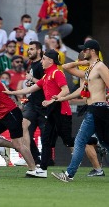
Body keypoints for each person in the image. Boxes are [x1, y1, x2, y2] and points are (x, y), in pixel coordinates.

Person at [4, 49, 74, 178]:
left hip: (61, 111)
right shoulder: (47, 75)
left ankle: (88, 142)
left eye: (43, 59)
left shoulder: (56, 73)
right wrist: (11, 93)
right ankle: (42, 169)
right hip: (52, 111)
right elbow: (31, 88)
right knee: (46, 140)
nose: (41, 61)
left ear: (50, 60)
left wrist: (51, 100)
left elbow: (66, 90)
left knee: (67, 141)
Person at [52, 40, 109, 182]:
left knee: (80, 140)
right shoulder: (90, 68)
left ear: (93, 51)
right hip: (95, 108)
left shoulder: (100, 67)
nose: (83, 52)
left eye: (85, 50)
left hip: (98, 109)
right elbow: (66, 68)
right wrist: (62, 98)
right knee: (106, 143)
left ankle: (69, 174)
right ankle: (69, 174)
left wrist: (104, 98)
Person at [0, 61, 38, 177]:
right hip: (2, 115)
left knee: (19, 145)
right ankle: (6, 148)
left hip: (11, 113)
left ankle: (33, 169)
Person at [14, 41, 46, 166]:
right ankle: (30, 157)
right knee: (23, 126)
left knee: (47, 135)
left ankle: (44, 159)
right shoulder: (32, 64)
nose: (29, 51)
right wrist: (30, 83)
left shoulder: (42, 65)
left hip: (43, 103)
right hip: (32, 102)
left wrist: (31, 79)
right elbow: (34, 83)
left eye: (32, 49)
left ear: (38, 51)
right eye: (28, 49)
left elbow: (45, 83)